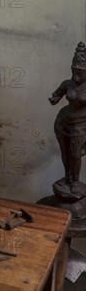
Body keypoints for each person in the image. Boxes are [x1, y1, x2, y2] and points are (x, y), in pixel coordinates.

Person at [49, 41, 86, 196]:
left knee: (76, 154)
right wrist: (54, 99)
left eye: (80, 73)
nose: (76, 76)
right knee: (65, 153)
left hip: (81, 124)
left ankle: (75, 181)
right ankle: (68, 176)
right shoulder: (67, 83)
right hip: (63, 121)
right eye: (74, 71)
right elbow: (57, 94)